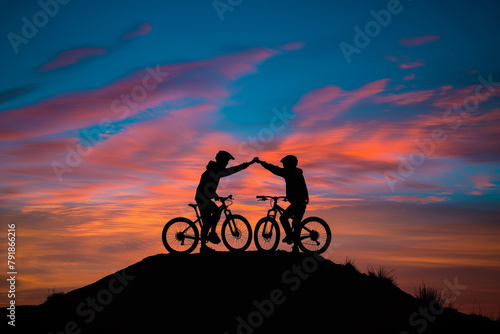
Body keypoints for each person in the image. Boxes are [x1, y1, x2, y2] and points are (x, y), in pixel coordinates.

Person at [195, 151, 257, 253]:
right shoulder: (215, 171)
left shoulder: (214, 169)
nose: (227, 163)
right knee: (210, 219)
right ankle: (207, 240)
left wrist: (215, 196)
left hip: (204, 197)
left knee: (212, 216)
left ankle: (210, 236)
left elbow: (230, 171)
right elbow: (206, 186)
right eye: (226, 161)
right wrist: (215, 196)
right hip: (202, 198)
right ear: (222, 160)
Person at [256, 155, 309, 249]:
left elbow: (274, 169)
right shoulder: (297, 173)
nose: (284, 166)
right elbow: (302, 187)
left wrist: (261, 163)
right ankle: (293, 242)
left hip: (298, 203)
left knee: (288, 220)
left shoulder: (289, 172)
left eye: (285, 164)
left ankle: (291, 239)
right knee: (292, 221)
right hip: (299, 202)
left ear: (289, 164)